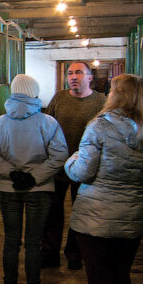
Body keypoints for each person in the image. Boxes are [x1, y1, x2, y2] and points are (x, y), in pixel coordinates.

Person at [65, 74, 143, 284]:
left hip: (96, 216)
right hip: (131, 215)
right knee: (121, 279)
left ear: (116, 95)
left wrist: (70, 160)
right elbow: (142, 176)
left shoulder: (99, 127)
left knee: (99, 283)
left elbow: (82, 171)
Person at [0, 74, 68, 284]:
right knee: (33, 243)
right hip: (39, 190)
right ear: (34, 92)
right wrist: (35, 176)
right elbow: (60, 155)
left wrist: (12, 173)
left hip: (8, 189)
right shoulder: (48, 122)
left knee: (11, 242)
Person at [42, 61, 106, 270]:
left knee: (80, 212)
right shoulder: (59, 98)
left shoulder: (101, 102)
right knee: (52, 210)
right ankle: (50, 253)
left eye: (79, 72)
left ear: (90, 78)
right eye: (70, 73)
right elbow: (47, 125)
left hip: (86, 166)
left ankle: (75, 253)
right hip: (58, 165)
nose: (73, 77)